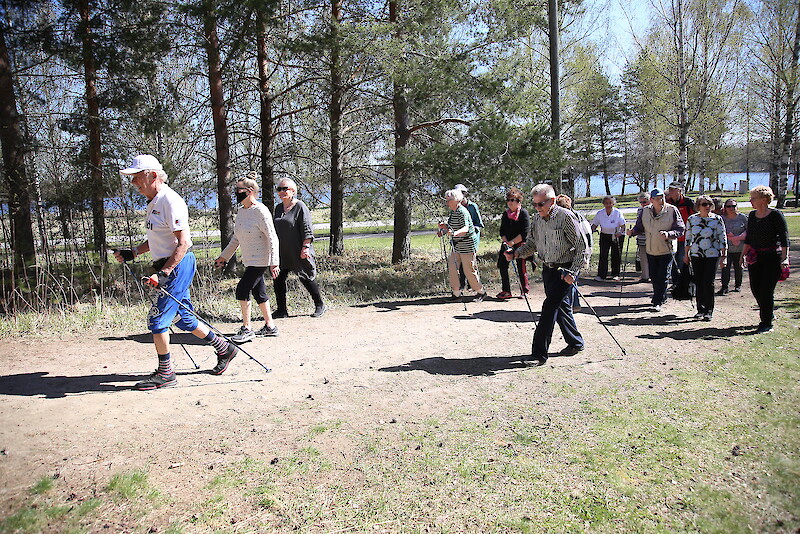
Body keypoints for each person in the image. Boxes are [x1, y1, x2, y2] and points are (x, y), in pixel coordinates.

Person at [114, 154, 239, 390]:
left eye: (136, 177)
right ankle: (225, 348)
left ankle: (166, 374)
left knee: (158, 320)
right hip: (169, 265)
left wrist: (165, 272)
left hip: (177, 265)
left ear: (152, 175)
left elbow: (183, 243)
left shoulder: (170, 201)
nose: (133, 183)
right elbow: (159, 238)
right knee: (185, 319)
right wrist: (133, 252)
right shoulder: (154, 202)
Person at [505, 183, 587, 366]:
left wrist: (573, 272)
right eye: (534, 204)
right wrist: (516, 253)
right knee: (562, 308)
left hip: (565, 270)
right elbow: (532, 244)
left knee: (549, 309)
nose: (537, 208)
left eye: (541, 204)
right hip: (548, 269)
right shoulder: (537, 219)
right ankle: (575, 342)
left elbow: (582, 247)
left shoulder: (566, 217)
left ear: (552, 201)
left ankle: (538, 355)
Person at [215, 175, 280, 342]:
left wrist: (274, 262)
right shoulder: (242, 212)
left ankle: (247, 328)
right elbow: (236, 239)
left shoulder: (260, 211)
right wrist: (224, 257)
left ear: (250, 192)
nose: (236, 193)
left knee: (242, 290)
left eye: (239, 190)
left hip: (260, 260)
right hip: (250, 260)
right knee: (259, 292)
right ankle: (270, 326)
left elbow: (272, 237)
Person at [272, 178, 326, 318]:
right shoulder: (278, 208)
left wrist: (305, 247)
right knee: (278, 280)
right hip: (282, 252)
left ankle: (319, 305)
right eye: (279, 189)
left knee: (306, 277)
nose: (282, 192)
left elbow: (307, 229)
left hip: (298, 250)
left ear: (293, 191)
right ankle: (281, 310)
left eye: (285, 189)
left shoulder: (300, 206)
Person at [627, 188, 685, 312]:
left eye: (662, 198)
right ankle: (661, 296)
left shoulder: (672, 210)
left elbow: (680, 229)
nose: (661, 201)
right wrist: (632, 232)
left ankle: (657, 300)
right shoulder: (644, 211)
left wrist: (669, 234)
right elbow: (639, 227)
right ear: (651, 200)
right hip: (651, 249)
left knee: (663, 275)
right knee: (654, 276)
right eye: (657, 199)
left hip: (667, 248)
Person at [742, 185, 790, 334]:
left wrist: (785, 258)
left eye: (753, 198)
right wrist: (743, 254)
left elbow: (784, 238)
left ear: (764, 200)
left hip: (772, 257)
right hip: (755, 257)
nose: (751, 201)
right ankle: (768, 312)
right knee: (755, 288)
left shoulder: (775, 215)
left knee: (766, 290)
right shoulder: (751, 215)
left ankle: (766, 322)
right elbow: (749, 237)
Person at [684, 195, 727, 321]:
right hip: (696, 254)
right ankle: (700, 309)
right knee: (698, 282)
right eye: (704, 204)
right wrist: (686, 254)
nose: (707, 207)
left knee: (708, 282)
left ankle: (709, 310)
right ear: (698, 206)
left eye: (709, 204)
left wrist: (724, 256)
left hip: (712, 254)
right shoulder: (692, 219)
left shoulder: (717, 219)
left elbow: (722, 237)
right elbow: (688, 238)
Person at [439, 188, 487, 301]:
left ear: (456, 200)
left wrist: (455, 233)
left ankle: (481, 292)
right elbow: (450, 227)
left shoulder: (462, 211)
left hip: (467, 244)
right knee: (452, 267)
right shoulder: (453, 212)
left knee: (469, 270)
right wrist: (443, 229)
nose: (447, 202)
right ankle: (456, 293)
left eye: (448, 200)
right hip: (456, 245)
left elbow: (465, 228)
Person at [555, 194, 592, 311]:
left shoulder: (572, 218)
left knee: (568, 281)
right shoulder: (579, 216)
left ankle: (569, 307)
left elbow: (585, 239)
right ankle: (575, 304)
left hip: (574, 255)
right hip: (578, 254)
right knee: (572, 280)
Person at [497, 187, 531, 299]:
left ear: (518, 202)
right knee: (502, 265)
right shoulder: (505, 214)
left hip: (520, 244)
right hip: (507, 243)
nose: (510, 202)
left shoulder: (523, 213)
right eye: (508, 200)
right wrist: (506, 241)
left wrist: (513, 242)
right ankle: (506, 290)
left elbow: (525, 233)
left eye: (513, 200)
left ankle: (524, 291)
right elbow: (502, 230)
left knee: (521, 267)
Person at [666, 181, 695, 296]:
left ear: (679, 190)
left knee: (683, 260)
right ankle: (676, 283)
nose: (671, 192)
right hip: (673, 237)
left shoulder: (688, 202)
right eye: (670, 189)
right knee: (672, 260)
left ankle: (685, 282)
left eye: (673, 189)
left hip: (686, 238)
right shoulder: (667, 202)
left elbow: (695, 217)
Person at [454, 184, 484, 291]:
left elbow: (478, 224)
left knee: (471, 265)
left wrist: (470, 232)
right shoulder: (455, 208)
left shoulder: (472, 206)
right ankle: (462, 285)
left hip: (472, 240)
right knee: (460, 265)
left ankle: (475, 287)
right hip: (460, 241)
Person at [590, 195, 626, 281]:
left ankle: (615, 274)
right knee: (603, 255)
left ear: (613, 203)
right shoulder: (600, 213)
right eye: (606, 203)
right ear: (603, 204)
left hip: (616, 235)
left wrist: (620, 233)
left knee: (616, 255)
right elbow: (595, 224)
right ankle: (601, 275)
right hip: (604, 235)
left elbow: (623, 225)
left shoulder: (617, 212)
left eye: (610, 203)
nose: (608, 205)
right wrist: (591, 230)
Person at [719, 198, 747, 295]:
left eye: (733, 206)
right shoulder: (722, 219)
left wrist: (739, 237)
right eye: (728, 206)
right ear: (725, 208)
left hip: (740, 248)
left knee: (738, 267)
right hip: (726, 248)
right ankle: (724, 287)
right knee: (725, 267)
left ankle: (738, 285)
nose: (731, 208)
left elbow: (748, 230)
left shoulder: (743, 218)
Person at [635, 192, 651, 282]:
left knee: (652, 257)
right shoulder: (640, 210)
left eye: (644, 202)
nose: (642, 204)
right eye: (641, 202)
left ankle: (653, 275)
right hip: (641, 237)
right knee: (643, 256)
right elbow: (638, 223)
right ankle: (645, 276)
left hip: (652, 237)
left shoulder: (654, 209)